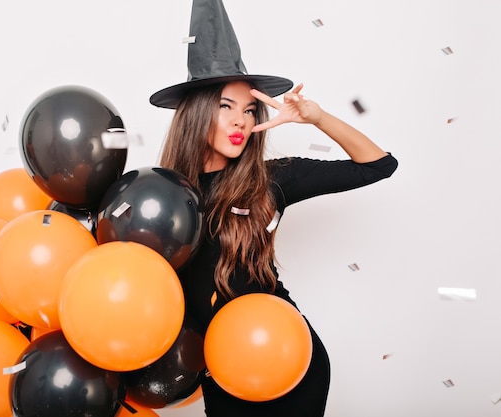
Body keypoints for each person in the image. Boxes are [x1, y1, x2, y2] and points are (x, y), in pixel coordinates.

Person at [148, 1, 398, 416]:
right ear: (197, 111)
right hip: (221, 372)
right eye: (226, 106)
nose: (241, 121)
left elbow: (379, 165)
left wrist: (317, 117)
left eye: (250, 110)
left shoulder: (269, 179)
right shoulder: (158, 195)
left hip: (287, 361)